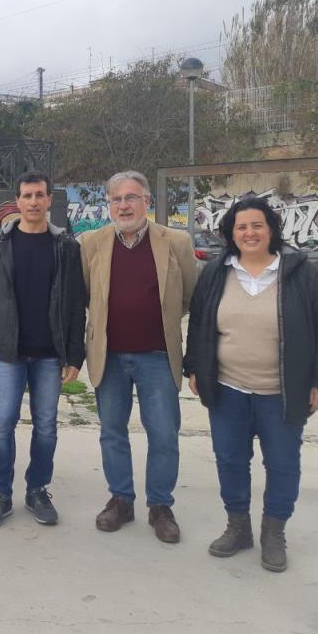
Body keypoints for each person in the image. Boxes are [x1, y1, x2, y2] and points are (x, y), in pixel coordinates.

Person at [184, 196, 318, 571]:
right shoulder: (217, 272)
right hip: (227, 390)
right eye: (241, 227)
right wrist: (194, 368)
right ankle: (238, 527)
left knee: (283, 465)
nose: (249, 232)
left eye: (257, 225)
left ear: (271, 229)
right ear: (231, 233)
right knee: (231, 461)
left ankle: (274, 532)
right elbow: (201, 323)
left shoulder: (301, 273)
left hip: (282, 392)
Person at [80, 170, 196, 543]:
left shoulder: (176, 241)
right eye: (116, 199)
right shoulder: (92, 243)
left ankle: (160, 506)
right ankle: (121, 500)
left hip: (158, 357)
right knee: (112, 433)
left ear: (147, 201)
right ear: (109, 204)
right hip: (109, 356)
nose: (124, 205)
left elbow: (190, 296)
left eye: (131, 197)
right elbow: (87, 295)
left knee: (163, 434)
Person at [0, 172, 86, 528]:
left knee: (47, 426)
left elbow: (75, 304)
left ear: (50, 199)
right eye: (27, 195)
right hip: (7, 352)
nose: (33, 201)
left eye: (39, 195)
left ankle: (37, 490)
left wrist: (74, 354)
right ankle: (1, 494)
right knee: (2, 425)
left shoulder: (67, 247)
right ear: (17, 201)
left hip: (50, 353)